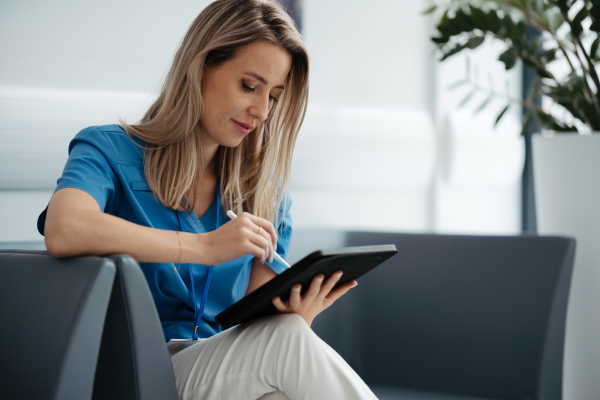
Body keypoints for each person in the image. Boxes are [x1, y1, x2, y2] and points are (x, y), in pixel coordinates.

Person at [38, 0, 378, 399]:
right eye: (249, 86)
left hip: (218, 375)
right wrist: (203, 247)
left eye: (273, 96)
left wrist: (298, 317)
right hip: (134, 374)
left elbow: (256, 336)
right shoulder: (108, 150)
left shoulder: (263, 194)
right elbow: (65, 229)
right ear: (200, 67)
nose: (261, 110)